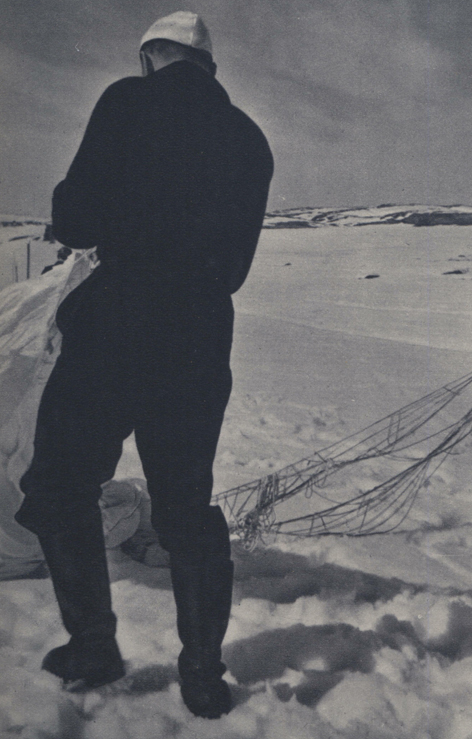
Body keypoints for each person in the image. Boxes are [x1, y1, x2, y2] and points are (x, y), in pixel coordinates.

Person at [15, 11, 273, 719]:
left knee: (59, 482)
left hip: (117, 319)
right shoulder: (250, 138)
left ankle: (94, 644)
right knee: (185, 505)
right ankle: (203, 672)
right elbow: (236, 269)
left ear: (150, 56)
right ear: (209, 67)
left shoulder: (126, 100)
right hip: (199, 332)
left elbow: (76, 220)